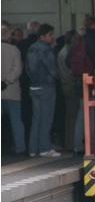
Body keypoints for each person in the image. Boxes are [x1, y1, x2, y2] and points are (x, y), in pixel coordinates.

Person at [73, 16, 95, 156]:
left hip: (80, 80)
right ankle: (91, 146)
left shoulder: (80, 40)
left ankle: (77, 145)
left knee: (82, 114)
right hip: (92, 81)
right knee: (91, 114)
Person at [26, 23, 61, 157]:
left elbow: (28, 68)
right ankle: (45, 148)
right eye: (50, 35)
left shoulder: (31, 48)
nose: (52, 37)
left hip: (33, 86)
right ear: (43, 36)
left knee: (36, 119)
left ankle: (33, 149)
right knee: (46, 118)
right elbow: (52, 69)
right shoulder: (46, 49)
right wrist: (57, 77)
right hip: (46, 87)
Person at [2, 24, 26, 155]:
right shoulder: (14, 49)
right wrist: (6, 80)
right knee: (16, 120)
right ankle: (20, 147)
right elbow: (17, 69)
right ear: (8, 36)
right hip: (12, 91)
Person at [57, 29, 80, 152]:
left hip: (65, 85)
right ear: (72, 39)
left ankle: (69, 142)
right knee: (73, 116)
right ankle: (71, 144)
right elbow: (72, 70)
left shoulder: (62, 51)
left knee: (69, 116)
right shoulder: (69, 52)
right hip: (71, 85)